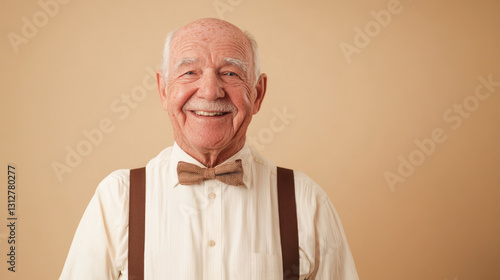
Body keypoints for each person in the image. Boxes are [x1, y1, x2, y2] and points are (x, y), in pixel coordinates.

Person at [60, 18, 359, 279]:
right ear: (164, 90)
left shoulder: (305, 201)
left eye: (230, 73)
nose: (210, 91)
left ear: (257, 93)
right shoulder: (118, 198)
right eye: (189, 72)